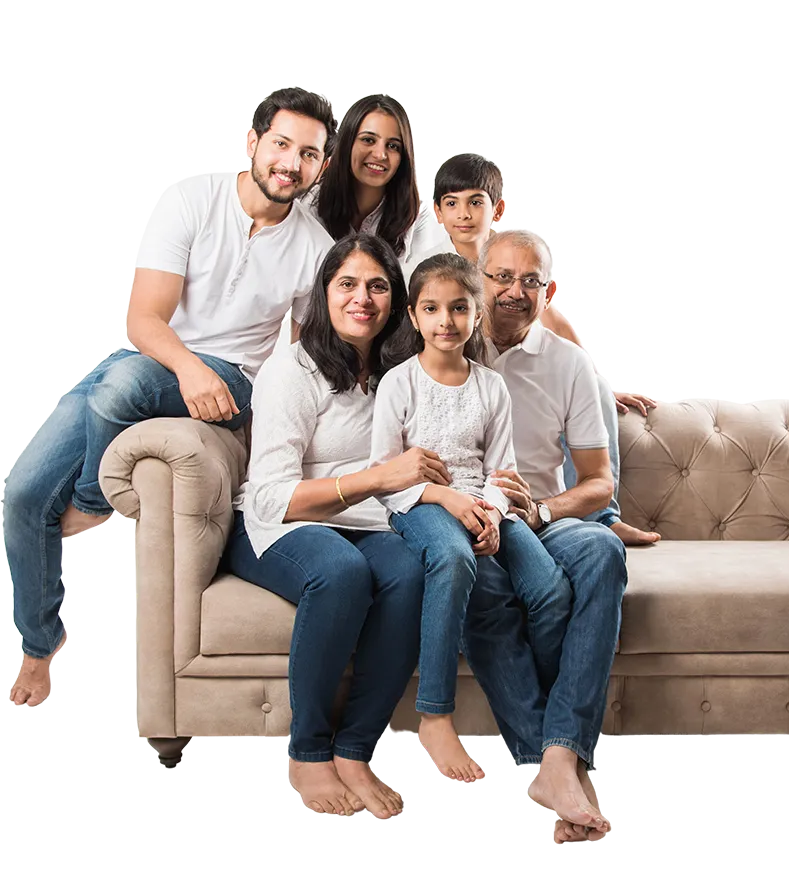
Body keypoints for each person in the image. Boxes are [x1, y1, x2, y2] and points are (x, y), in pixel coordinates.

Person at [5, 86, 337, 707]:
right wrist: (187, 369)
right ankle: (38, 645)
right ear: (253, 143)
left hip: (236, 380)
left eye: (310, 154)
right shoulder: (190, 196)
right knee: (22, 492)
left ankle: (96, 499)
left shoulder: (315, 248)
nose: (292, 163)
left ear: (321, 166)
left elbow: (302, 354)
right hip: (152, 358)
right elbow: (146, 321)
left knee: (124, 386)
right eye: (282, 145)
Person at [224, 234, 456, 820]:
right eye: (346, 284)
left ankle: (354, 748)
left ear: (397, 299)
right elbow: (273, 494)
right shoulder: (291, 371)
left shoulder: (404, 369)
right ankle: (307, 751)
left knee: (409, 570)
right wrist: (376, 478)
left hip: (371, 520)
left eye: (378, 285)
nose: (362, 298)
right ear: (324, 293)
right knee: (342, 572)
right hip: (279, 524)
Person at [368, 253, 571, 784]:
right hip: (421, 505)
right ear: (412, 316)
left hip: (483, 505)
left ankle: (554, 716)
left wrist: (492, 511)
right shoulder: (399, 384)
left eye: (459, 308)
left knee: (548, 585)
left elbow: (503, 470)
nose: (446, 321)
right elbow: (385, 478)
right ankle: (435, 714)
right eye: (432, 309)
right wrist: (447, 500)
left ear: (476, 314)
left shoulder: (489, 386)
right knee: (455, 559)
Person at [461, 229, 632, 845]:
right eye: (500, 277)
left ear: (547, 291)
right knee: (484, 586)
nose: (513, 291)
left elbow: (597, 481)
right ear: (476, 281)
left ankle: (554, 759)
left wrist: (542, 513)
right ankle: (564, 769)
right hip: (465, 517)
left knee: (602, 551)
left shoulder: (566, 363)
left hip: (541, 516)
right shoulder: (445, 342)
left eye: (529, 281)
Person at [420, 152, 660, 545]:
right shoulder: (437, 265)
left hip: (519, 361)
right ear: (438, 212)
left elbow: (551, 320)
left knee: (592, 388)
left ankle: (604, 514)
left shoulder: (510, 253)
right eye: (452, 204)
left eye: (475, 202)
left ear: (496, 210)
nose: (464, 214)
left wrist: (590, 378)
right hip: (471, 354)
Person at [302, 93, 449, 268]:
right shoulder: (310, 204)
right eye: (368, 140)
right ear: (347, 144)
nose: (380, 154)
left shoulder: (418, 215)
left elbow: (424, 283)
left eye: (393, 145)